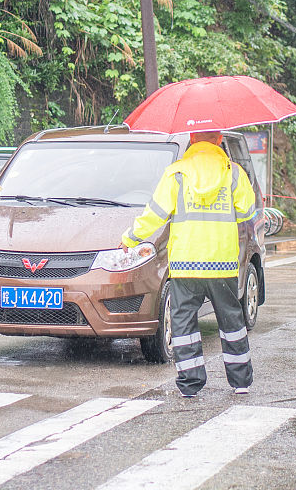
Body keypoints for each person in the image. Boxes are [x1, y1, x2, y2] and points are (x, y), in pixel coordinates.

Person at [121, 130, 257, 397]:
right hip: (222, 263)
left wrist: (131, 238)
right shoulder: (233, 172)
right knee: (231, 319)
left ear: (192, 140)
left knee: (183, 322)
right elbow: (247, 212)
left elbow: (155, 215)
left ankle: (190, 383)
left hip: (186, 263)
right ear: (219, 140)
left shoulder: (177, 173)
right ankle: (240, 381)